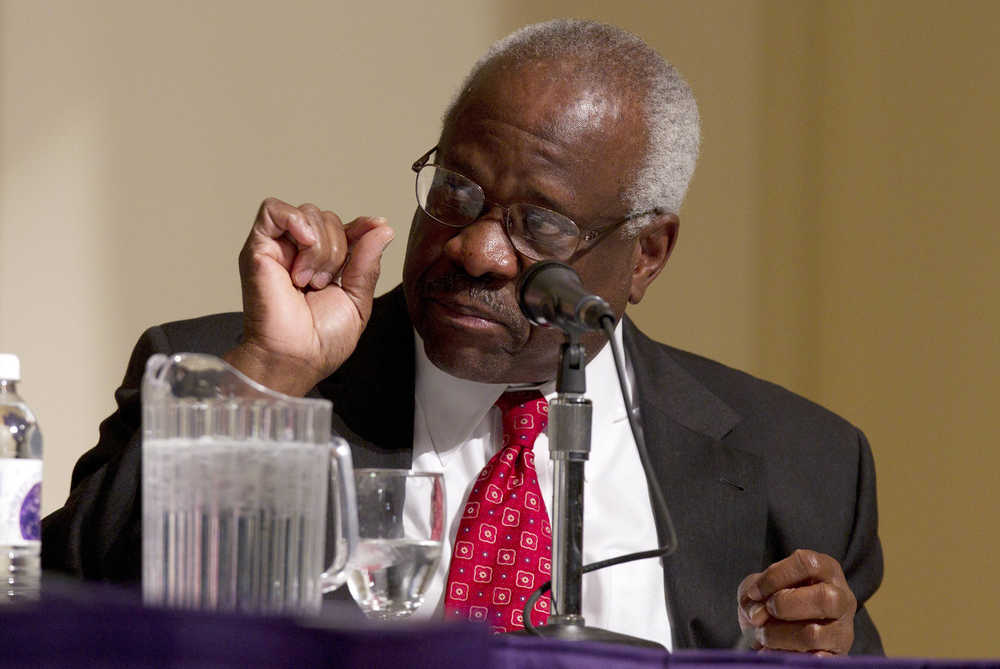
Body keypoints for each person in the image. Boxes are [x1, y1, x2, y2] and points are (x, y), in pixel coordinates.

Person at [42, 19, 883, 654]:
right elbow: (65, 620)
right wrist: (270, 376)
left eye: (540, 224)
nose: (476, 247)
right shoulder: (244, 383)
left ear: (647, 254)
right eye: (456, 189)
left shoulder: (798, 464)